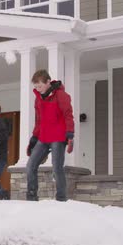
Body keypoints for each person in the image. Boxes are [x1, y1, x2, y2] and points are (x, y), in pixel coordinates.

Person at [25, 70, 74, 202]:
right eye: (35, 87)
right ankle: (31, 197)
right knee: (30, 166)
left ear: (48, 82)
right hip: (43, 137)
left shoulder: (61, 95)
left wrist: (70, 134)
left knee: (57, 168)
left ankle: (61, 199)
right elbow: (39, 120)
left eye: (39, 86)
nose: (37, 89)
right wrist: (34, 137)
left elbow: (68, 114)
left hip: (58, 136)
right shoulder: (38, 98)